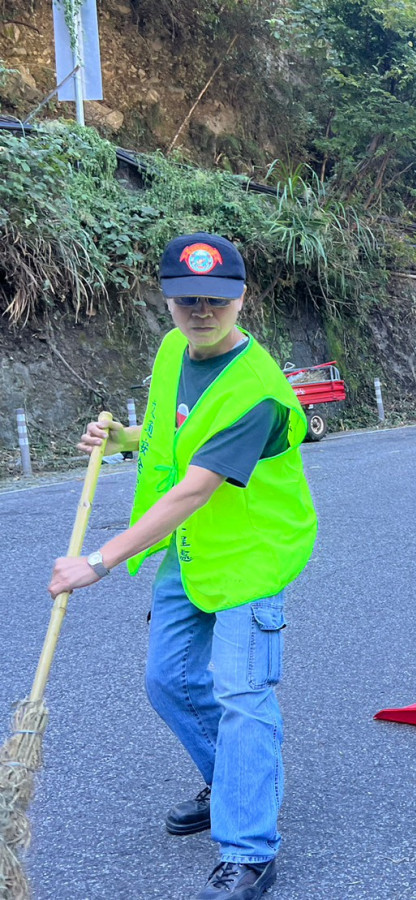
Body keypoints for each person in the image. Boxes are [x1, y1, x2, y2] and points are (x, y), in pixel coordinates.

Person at [49, 233, 318, 900]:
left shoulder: (258, 389)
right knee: (168, 680)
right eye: (187, 299)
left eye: (216, 300)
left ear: (241, 300)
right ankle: (235, 781)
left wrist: (99, 560)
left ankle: (249, 850)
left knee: (240, 692)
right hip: (192, 549)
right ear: (167, 299)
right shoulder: (174, 349)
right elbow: (176, 433)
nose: (201, 311)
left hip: (253, 555)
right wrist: (123, 439)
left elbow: (196, 485)